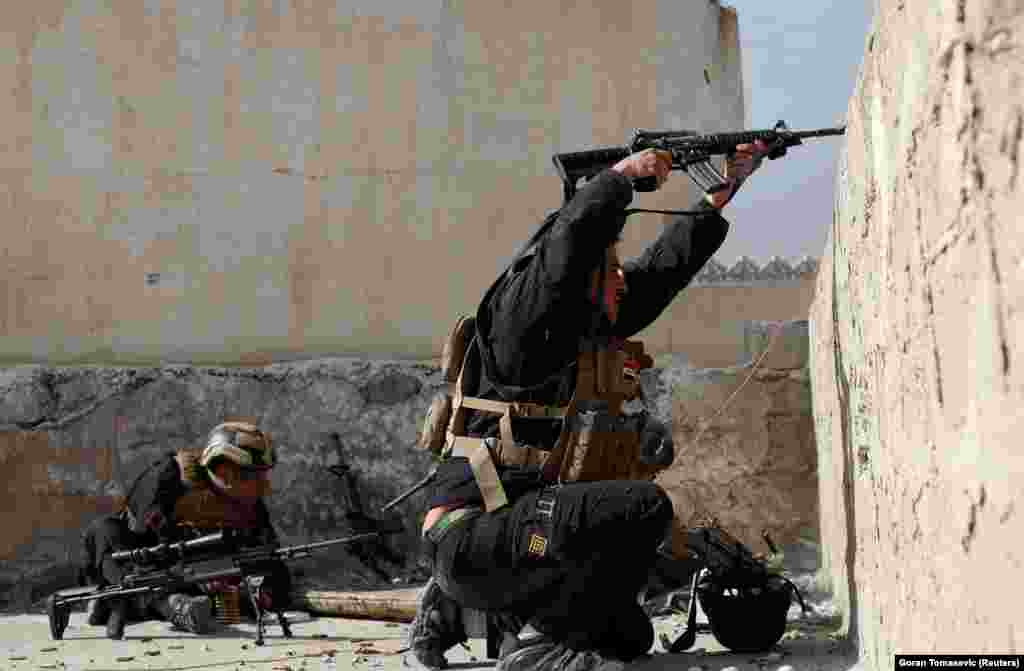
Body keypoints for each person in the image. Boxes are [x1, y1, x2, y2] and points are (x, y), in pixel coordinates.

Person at [409, 141, 772, 671]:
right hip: (469, 537)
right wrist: (622, 176)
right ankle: (531, 644)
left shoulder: (573, 328)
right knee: (643, 507)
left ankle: (468, 610)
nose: (624, 278)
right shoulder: (521, 323)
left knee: (628, 637)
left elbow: (661, 273)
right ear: (578, 278)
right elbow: (566, 242)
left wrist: (722, 190)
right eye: (612, 269)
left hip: (508, 539)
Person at [80, 421, 289, 639]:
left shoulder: (249, 503)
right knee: (104, 530)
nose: (265, 486)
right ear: (224, 470)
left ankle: (132, 604)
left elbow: (274, 564)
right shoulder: (170, 477)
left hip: (200, 579)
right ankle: (156, 604)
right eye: (255, 476)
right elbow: (142, 538)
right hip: (144, 565)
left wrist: (256, 592)